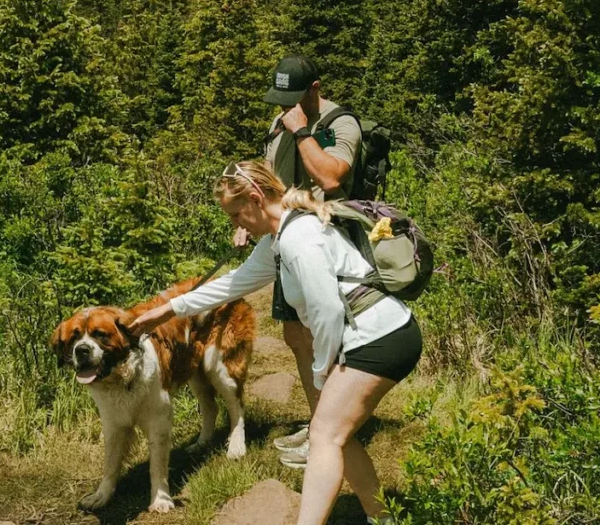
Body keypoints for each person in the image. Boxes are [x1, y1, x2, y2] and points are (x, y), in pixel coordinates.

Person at [130, 161, 421, 525]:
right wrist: (169, 310)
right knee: (338, 435)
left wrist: (321, 372)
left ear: (255, 198)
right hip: (376, 334)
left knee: (324, 435)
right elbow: (234, 283)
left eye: (237, 215)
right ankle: (381, 516)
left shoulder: (299, 238)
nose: (237, 225)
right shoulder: (279, 238)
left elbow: (328, 311)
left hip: (381, 338)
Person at [234, 55, 363, 467]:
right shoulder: (279, 124)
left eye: (293, 98)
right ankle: (319, 421)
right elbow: (268, 179)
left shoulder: (341, 123)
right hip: (286, 242)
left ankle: (334, 431)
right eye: (280, 99)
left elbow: (331, 177)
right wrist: (247, 218)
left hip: (327, 245)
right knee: (296, 337)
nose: (284, 107)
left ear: (315, 89)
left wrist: (303, 131)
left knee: (329, 336)